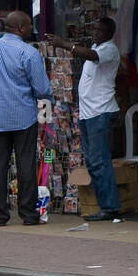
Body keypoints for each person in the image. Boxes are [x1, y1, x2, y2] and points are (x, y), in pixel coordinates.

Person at [0, 11, 52, 227]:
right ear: (20, 28)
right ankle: (29, 214)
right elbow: (42, 89)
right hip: (24, 117)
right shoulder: (28, 53)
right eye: (29, 25)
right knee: (26, 165)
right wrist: (46, 112)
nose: (32, 28)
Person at [47, 18, 122, 221]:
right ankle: (104, 205)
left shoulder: (108, 49)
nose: (96, 33)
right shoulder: (96, 46)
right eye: (95, 29)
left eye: (101, 30)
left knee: (99, 161)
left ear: (109, 33)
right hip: (88, 115)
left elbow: (92, 55)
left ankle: (109, 207)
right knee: (91, 161)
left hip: (100, 113)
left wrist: (64, 44)